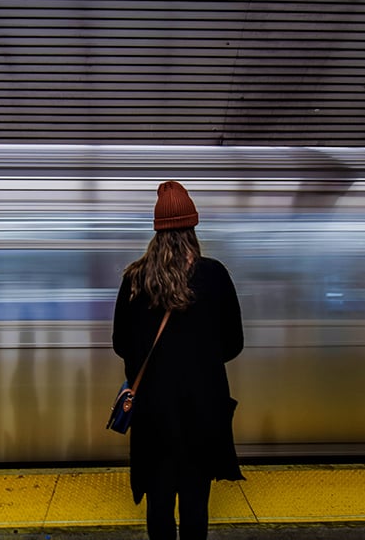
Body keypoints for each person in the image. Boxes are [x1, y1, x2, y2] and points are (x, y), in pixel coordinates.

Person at [112, 181, 244, 540]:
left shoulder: (135, 279)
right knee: (195, 505)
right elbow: (234, 344)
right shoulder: (215, 275)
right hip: (203, 413)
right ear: (192, 228)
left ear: (157, 231)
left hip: (153, 416)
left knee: (159, 507)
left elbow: (120, 343)